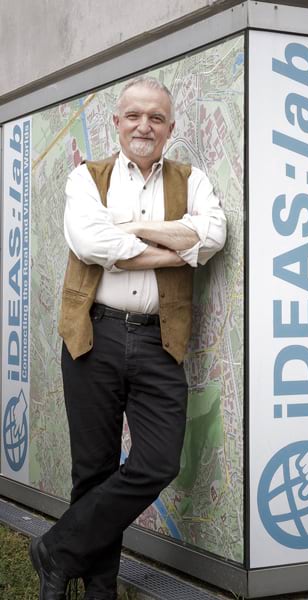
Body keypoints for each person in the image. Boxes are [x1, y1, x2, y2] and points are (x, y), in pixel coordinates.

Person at [29, 76, 226, 600]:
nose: (144, 125)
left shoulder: (194, 180)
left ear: (170, 128)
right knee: (92, 469)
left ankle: (55, 549)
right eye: (134, 115)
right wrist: (174, 239)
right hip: (94, 334)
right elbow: (92, 243)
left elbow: (212, 237)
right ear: (116, 122)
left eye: (156, 118)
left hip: (161, 340)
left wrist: (132, 229)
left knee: (158, 462)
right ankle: (99, 591)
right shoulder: (85, 179)